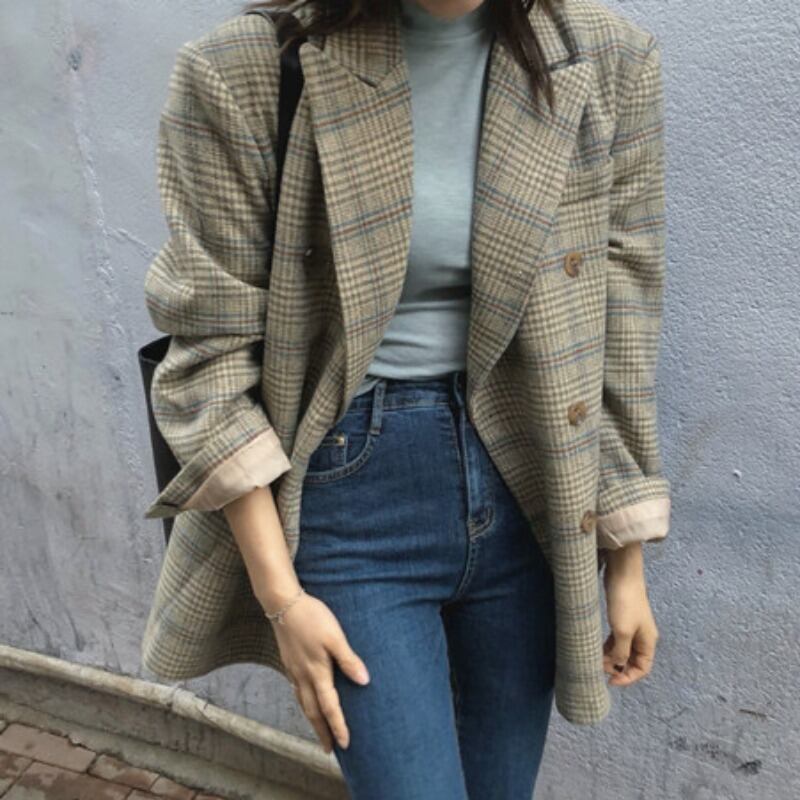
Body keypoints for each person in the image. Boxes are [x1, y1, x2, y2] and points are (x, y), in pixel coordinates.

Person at [141, 0, 671, 797]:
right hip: (352, 491)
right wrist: (282, 600)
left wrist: (625, 558)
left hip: (532, 482)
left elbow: (620, 318)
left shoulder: (606, 58)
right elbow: (210, 350)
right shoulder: (245, 69)